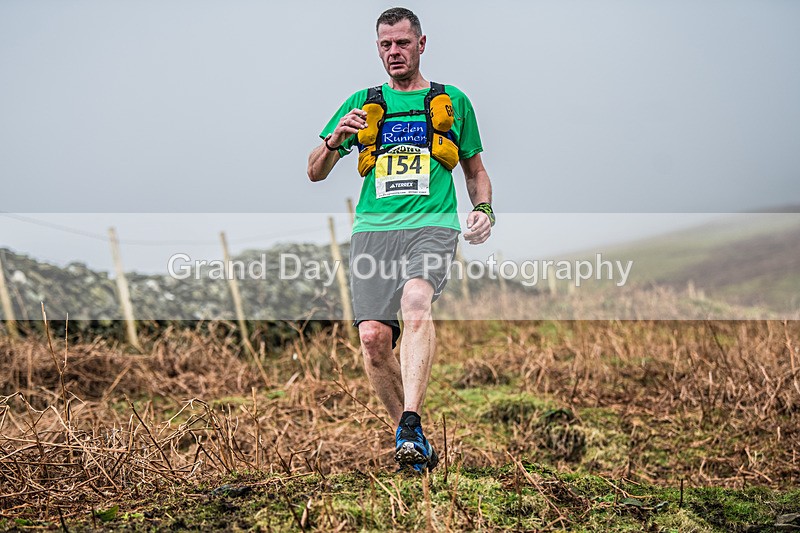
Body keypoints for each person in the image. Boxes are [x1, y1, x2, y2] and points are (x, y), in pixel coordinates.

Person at [307, 7, 495, 473]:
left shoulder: (452, 101)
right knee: (372, 338)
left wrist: (484, 210)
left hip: (432, 225)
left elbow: (475, 171)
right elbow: (313, 171)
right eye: (385, 45)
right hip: (373, 231)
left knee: (416, 302)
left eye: (402, 43)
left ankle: (410, 420)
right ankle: (409, 438)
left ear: (421, 44)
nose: (394, 52)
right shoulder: (362, 101)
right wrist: (334, 141)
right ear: (378, 49)